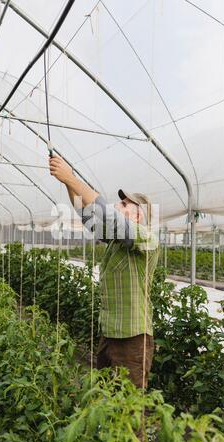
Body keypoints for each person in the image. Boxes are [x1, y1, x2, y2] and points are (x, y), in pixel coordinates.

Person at [49, 155, 159, 389]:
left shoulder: (147, 238)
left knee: (127, 411)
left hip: (132, 338)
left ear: (140, 215)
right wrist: (67, 182)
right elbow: (88, 217)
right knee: (106, 403)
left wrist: (71, 177)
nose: (118, 206)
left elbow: (106, 213)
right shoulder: (114, 240)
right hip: (109, 334)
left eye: (125, 204)